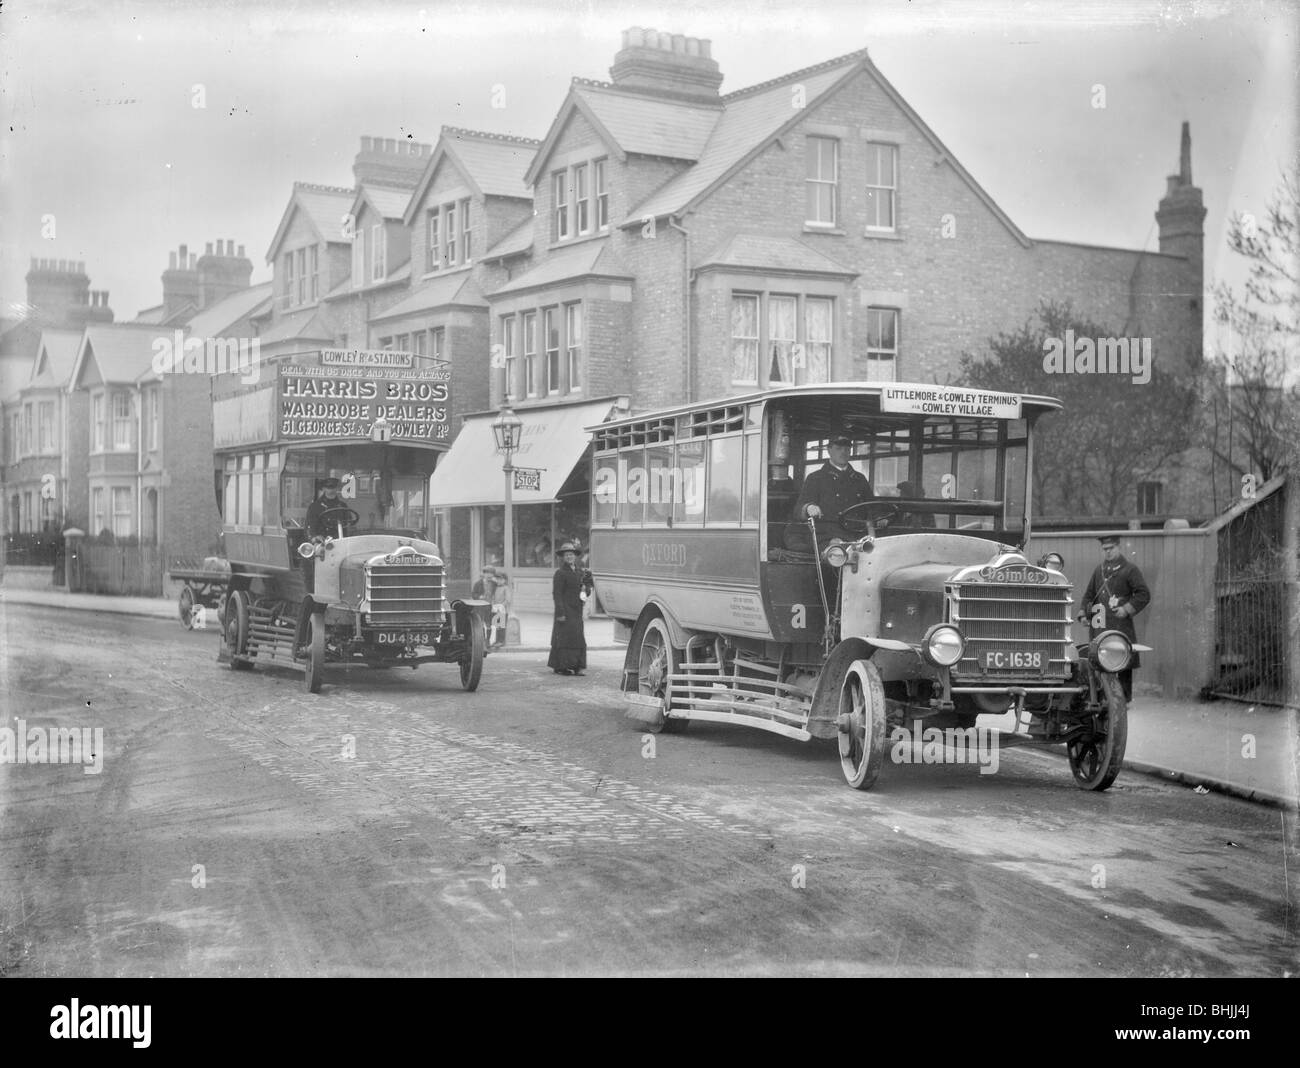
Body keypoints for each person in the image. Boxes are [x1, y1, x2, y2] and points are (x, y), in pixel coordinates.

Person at [1078, 535, 1150, 702]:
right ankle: (1101, 697)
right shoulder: (1099, 570)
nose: (1108, 552)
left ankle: (1124, 699)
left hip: (1119, 624)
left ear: (1119, 547)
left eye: (1111, 548)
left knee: (1121, 658)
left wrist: (1126, 609)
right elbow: (1089, 595)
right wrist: (1083, 614)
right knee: (1098, 659)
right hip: (1099, 623)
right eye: (1105, 549)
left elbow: (1144, 594)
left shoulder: (1130, 570)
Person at [785, 430, 872, 552]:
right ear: (829, 450)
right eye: (838, 448)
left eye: (847, 449)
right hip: (827, 537)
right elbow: (798, 509)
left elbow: (871, 507)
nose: (843, 452)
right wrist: (808, 507)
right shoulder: (815, 478)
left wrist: (880, 517)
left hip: (857, 536)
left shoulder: (860, 479)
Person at [548, 541, 591, 675]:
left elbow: (585, 593)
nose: (569, 557)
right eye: (566, 555)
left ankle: (578, 666)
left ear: (575, 556)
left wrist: (586, 589)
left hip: (577, 610)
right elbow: (557, 594)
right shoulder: (560, 573)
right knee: (565, 637)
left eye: (571, 554)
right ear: (563, 557)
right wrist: (561, 613)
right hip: (565, 610)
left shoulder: (580, 572)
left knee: (578, 637)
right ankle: (562, 666)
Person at [488, 569, 512, 649]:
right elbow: (494, 598)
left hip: (503, 610)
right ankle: (497, 640)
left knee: (501, 626)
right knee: (497, 626)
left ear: (505, 580)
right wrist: (493, 605)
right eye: (498, 579)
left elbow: (508, 600)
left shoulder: (506, 588)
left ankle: (501, 641)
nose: (499, 581)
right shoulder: (496, 588)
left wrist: (501, 606)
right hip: (496, 609)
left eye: (501, 579)